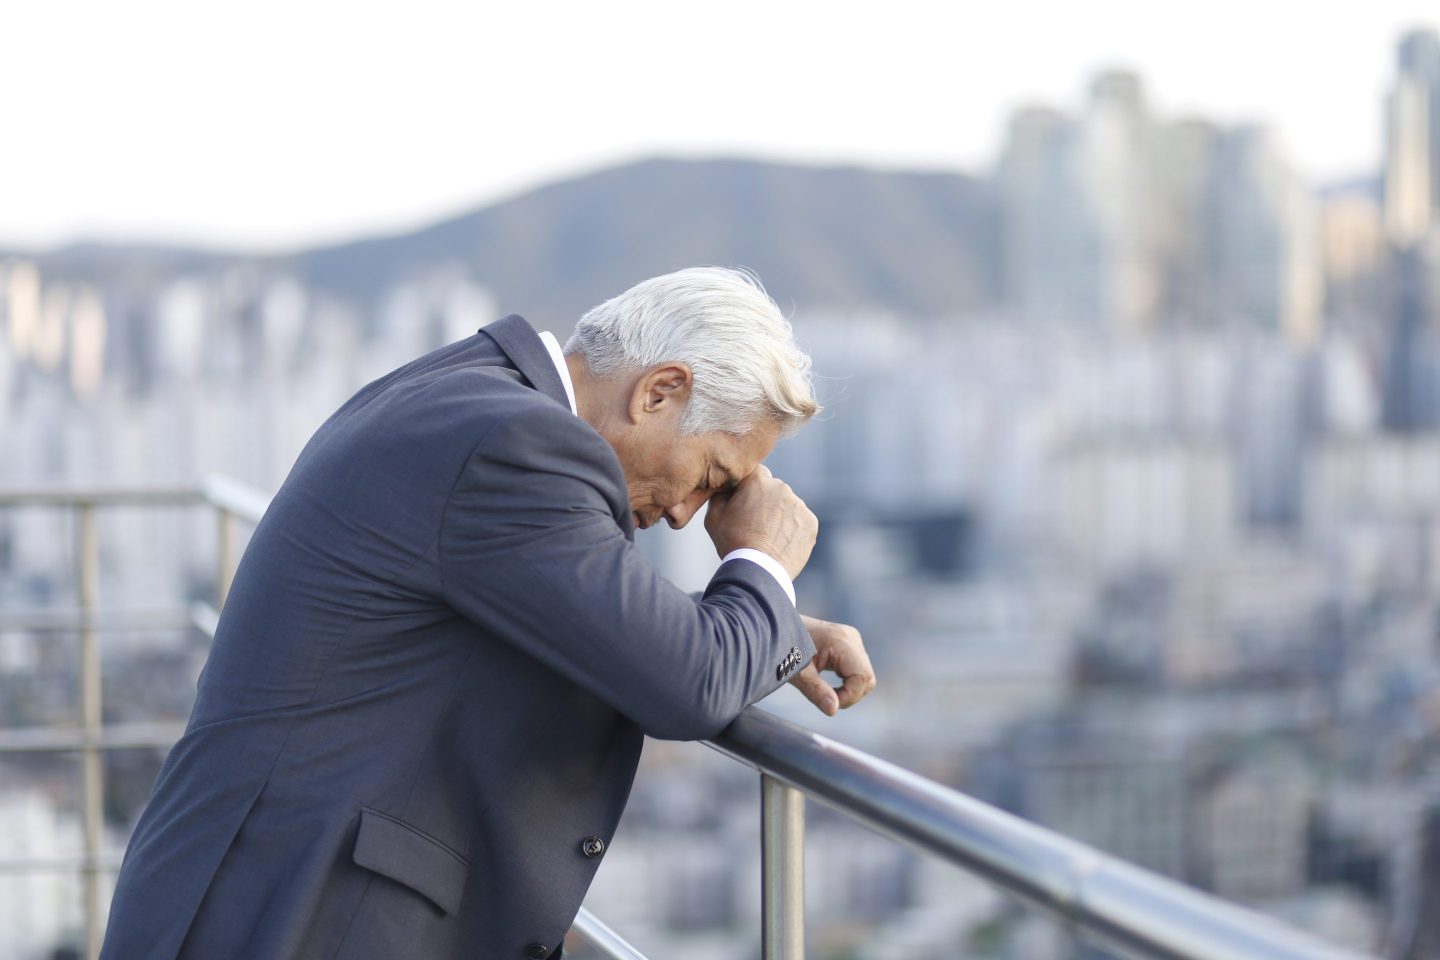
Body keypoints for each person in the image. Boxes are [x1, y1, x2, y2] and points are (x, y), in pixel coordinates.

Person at [100, 266, 875, 960]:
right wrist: (762, 566)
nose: (688, 517)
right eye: (710, 475)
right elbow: (685, 686)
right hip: (296, 914)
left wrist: (766, 629)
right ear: (658, 391)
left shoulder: (476, 394)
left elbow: (561, 600)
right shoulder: (517, 443)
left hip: (264, 888)